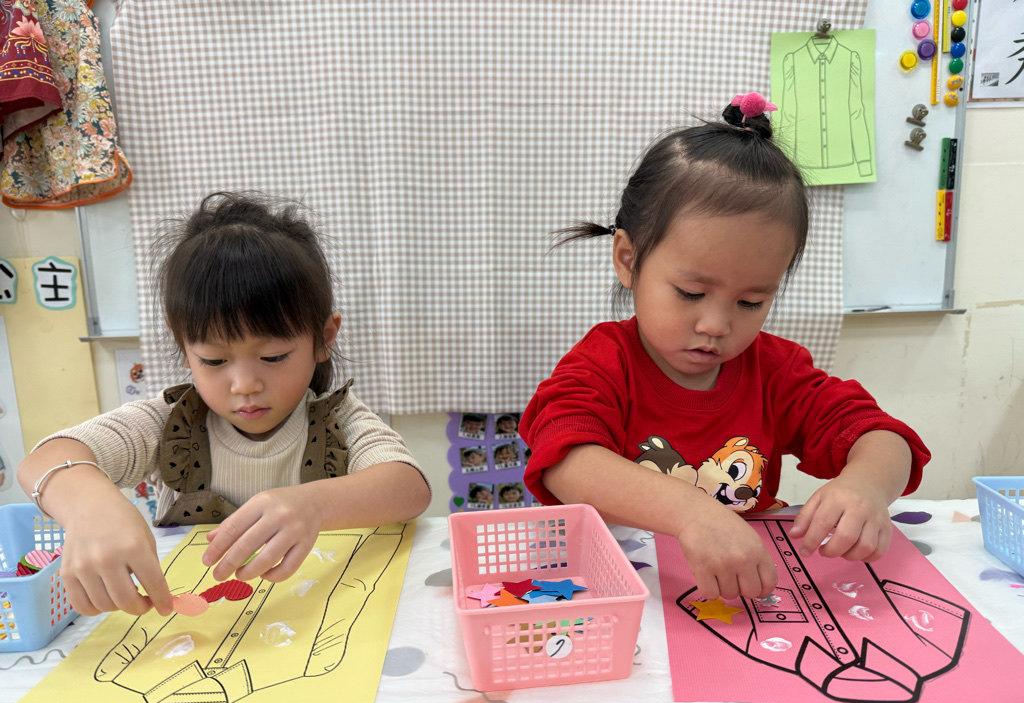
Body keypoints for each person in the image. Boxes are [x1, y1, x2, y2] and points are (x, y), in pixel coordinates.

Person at [520, 93, 930, 603]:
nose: (716, 325)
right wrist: (690, 513)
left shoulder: (775, 371)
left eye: (751, 301)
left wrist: (867, 484)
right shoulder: (604, 363)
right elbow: (564, 462)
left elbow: (882, 435)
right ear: (628, 259)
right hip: (632, 594)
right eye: (691, 293)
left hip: (741, 598)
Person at [17, 192, 431, 617]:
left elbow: (408, 487)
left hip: (317, 611)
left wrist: (315, 505)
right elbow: (41, 461)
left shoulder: (337, 421)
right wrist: (89, 506)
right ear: (184, 348)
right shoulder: (168, 422)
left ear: (324, 339)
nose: (245, 385)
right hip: (201, 626)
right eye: (214, 361)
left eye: (273, 357)